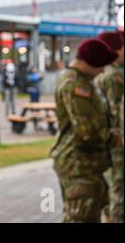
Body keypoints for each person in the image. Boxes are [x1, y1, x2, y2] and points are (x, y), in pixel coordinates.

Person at [50, 38, 118, 222]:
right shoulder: (75, 85)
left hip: (85, 162)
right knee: (81, 217)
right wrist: (115, 138)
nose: (103, 70)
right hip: (79, 164)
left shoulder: (79, 80)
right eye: (101, 65)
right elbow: (88, 131)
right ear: (90, 61)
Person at [94, 31, 124, 223]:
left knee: (107, 189)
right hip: (116, 144)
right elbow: (116, 114)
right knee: (119, 190)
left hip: (102, 143)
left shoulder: (98, 73)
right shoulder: (113, 77)